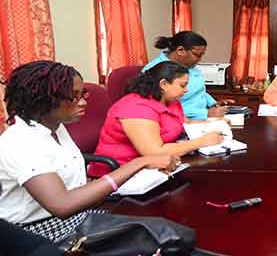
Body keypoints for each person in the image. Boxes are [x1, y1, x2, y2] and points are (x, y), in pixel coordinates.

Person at [0, 61, 178, 241]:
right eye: (73, 97)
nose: (83, 102)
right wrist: (140, 162)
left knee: (163, 225)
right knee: (158, 235)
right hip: (37, 231)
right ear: (42, 100)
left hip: (78, 214)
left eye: (82, 94)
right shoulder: (20, 142)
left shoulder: (56, 127)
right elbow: (62, 205)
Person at [89, 61, 224, 177]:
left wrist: (213, 123)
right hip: (121, 172)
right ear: (164, 84)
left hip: (157, 166)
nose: (186, 90)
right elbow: (154, 152)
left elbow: (184, 122)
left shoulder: (170, 100)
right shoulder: (136, 108)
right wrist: (202, 141)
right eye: (182, 85)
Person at [144, 31, 233, 120]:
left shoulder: (190, 66)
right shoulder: (156, 69)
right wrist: (205, 114)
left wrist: (214, 104)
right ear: (180, 50)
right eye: (197, 55)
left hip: (205, 116)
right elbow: (159, 106)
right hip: (181, 120)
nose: (199, 59)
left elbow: (200, 91)